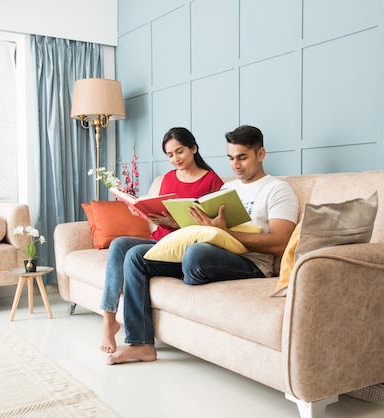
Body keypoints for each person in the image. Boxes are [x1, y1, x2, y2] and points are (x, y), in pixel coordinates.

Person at [108, 125, 300, 364]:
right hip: (213, 252)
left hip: (252, 262)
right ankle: (141, 344)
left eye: (242, 157)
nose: (236, 165)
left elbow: (281, 243)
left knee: (195, 254)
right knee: (136, 256)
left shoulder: (277, 190)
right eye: (230, 158)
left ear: (260, 155)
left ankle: (192, 269)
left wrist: (224, 232)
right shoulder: (228, 188)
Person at [100, 127, 223, 353]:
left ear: (194, 149)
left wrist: (177, 224)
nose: (175, 159)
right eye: (170, 155)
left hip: (182, 250)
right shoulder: (167, 178)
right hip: (160, 242)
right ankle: (109, 319)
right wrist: (145, 213)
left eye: (180, 151)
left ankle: (139, 343)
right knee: (119, 245)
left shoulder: (212, 181)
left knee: (133, 255)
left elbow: (214, 231)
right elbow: (163, 215)